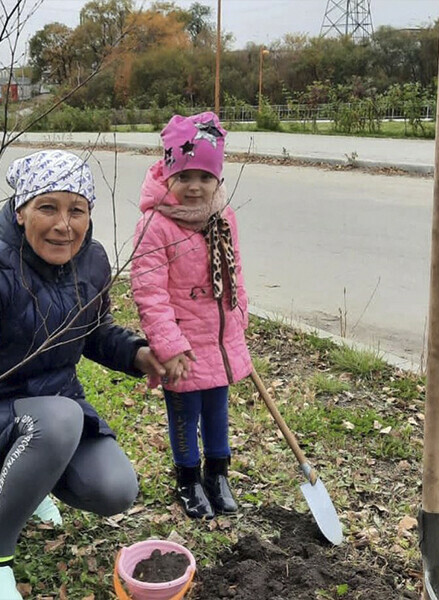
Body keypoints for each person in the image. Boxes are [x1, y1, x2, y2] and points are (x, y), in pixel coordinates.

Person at [0, 149, 165, 599]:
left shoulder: (92, 262)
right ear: (20, 212)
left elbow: (93, 331)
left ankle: (31, 486)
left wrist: (136, 354)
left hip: (55, 412)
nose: (64, 224)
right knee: (60, 419)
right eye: (47, 207)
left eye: (77, 210)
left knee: (116, 489)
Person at [130, 112, 253, 519]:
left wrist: (240, 320)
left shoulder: (224, 217)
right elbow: (150, 292)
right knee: (185, 413)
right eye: (184, 177)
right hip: (181, 342)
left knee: (218, 408)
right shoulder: (155, 225)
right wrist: (168, 345)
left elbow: (234, 271)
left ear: (218, 178)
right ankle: (188, 478)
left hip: (219, 338)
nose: (195, 187)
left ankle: (218, 474)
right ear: (168, 175)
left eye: (205, 176)